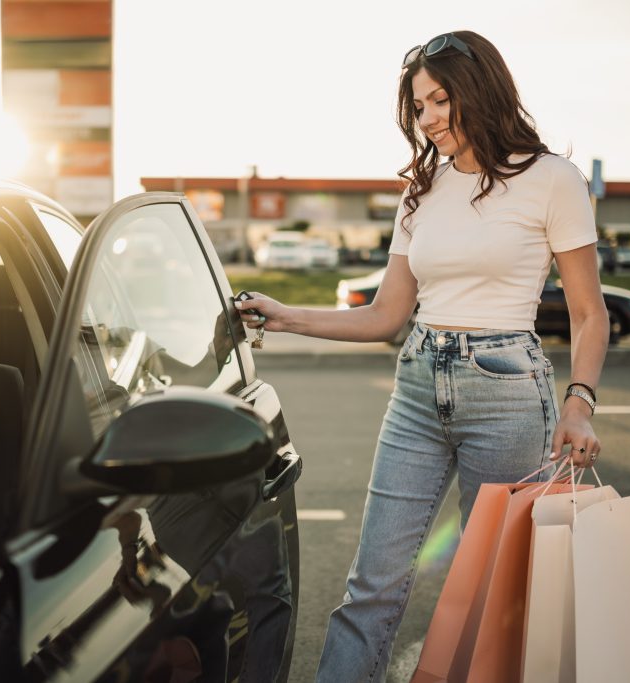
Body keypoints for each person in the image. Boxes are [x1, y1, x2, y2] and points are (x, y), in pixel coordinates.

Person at [233, 30, 609, 682]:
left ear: (481, 93)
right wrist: (286, 315)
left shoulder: (553, 179)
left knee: (491, 594)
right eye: (419, 106)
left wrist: (580, 401)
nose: (427, 118)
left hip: (508, 391)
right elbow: (386, 315)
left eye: (440, 100)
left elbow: (588, 311)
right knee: (370, 585)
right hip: (415, 385)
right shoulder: (422, 191)